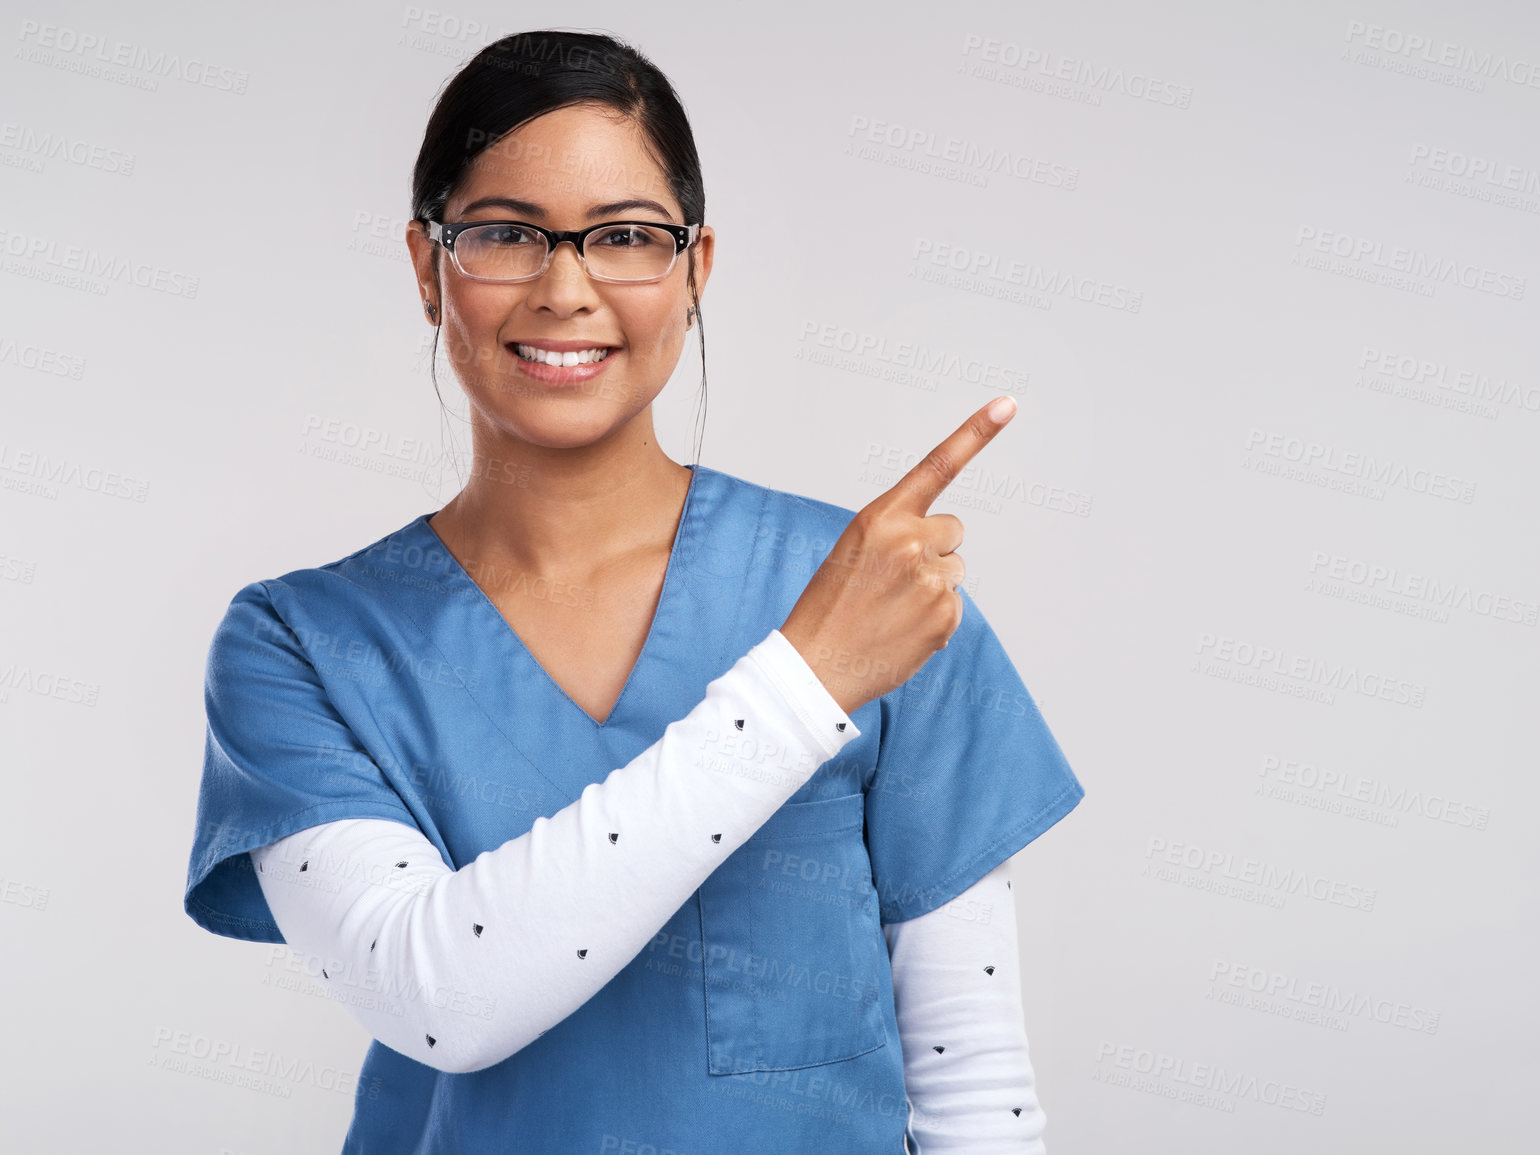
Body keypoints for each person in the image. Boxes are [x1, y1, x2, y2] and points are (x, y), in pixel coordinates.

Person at [182, 29, 1084, 1154]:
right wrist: (803, 687)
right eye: (506, 234)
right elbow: (437, 998)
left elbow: (974, 1091)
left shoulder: (876, 597)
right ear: (429, 268)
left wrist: (836, 653)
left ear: (695, 268)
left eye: (625, 238)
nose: (566, 289)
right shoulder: (300, 645)